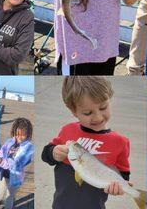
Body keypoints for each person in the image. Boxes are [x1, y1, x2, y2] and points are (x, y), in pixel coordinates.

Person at [41, 77, 133, 209]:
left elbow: (123, 174)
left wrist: (119, 187)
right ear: (73, 111)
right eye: (87, 113)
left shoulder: (120, 142)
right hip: (60, 205)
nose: (97, 117)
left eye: (103, 107)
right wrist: (53, 152)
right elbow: (46, 155)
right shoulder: (68, 130)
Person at [0, 117, 34, 209]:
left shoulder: (29, 148)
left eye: (23, 135)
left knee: (9, 197)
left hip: (15, 178)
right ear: (14, 132)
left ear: (28, 134)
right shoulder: (9, 142)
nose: (19, 137)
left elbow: (16, 163)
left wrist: (1, 161)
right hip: (3, 174)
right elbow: (0, 155)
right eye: (17, 134)